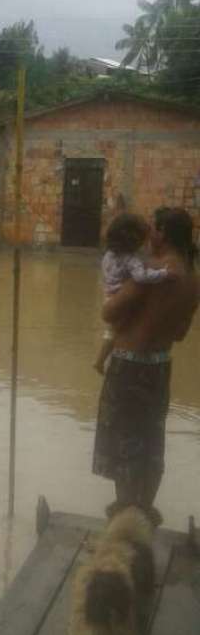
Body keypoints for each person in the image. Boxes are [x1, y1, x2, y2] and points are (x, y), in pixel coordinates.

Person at [92, 207, 199, 524]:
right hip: (160, 366)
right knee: (151, 440)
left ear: (162, 233)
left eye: (153, 228)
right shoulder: (193, 278)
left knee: (125, 441)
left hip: (128, 367)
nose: (148, 235)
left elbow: (109, 313)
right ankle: (143, 510)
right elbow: (179, 334)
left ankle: (125, 514)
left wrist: (124, 311)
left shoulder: (151, 270)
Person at [94, 212, 174, 375]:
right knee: (117, 332)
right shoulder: (131, 260)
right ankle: (100, 361)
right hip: (120, 299)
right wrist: (164, 273)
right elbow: (141, 277)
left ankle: (102, 361)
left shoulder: (109, 255)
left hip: (109, 296)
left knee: (113, 331)